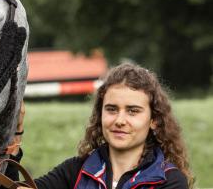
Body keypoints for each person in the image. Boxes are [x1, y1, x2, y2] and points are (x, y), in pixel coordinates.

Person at [13, 63, 193, 189]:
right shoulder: (76, 170)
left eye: (133, 111)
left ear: (154, 120)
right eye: (112, 109)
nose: (120, 120)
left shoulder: (170, 180)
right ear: (100, 115)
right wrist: (14, 135)